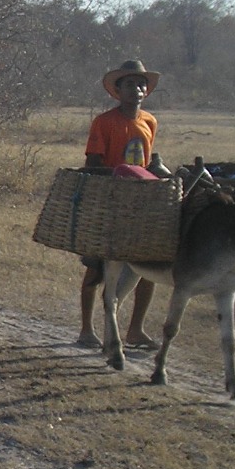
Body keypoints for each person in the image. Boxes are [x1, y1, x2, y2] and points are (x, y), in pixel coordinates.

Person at [79, 59, 161, 349]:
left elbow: (148, 163)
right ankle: (87, 329)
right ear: (117, 90)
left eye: (141, 84)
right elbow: (93, 162)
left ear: (146, 92)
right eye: (130, 84)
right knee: (97, 266)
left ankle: (135, 330)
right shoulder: (104, 123)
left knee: (148, 265)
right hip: (111, 200)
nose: (136, 89)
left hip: (141, 203)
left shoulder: (149, 121)